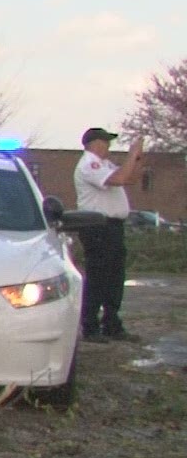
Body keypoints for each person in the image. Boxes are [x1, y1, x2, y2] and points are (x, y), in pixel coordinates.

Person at [74, 127, 143, 342]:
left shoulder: (105, 165)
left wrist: (137, 158)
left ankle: (111, 323)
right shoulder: (89, 164)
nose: (109, 146)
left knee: (114, 276)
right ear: (94, 143)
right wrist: (131, 156)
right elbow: (119, 179)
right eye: (105, 142)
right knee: (98, 276)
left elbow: (130, 178)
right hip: (97, 227)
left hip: (112, 227)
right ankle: (90, 325)